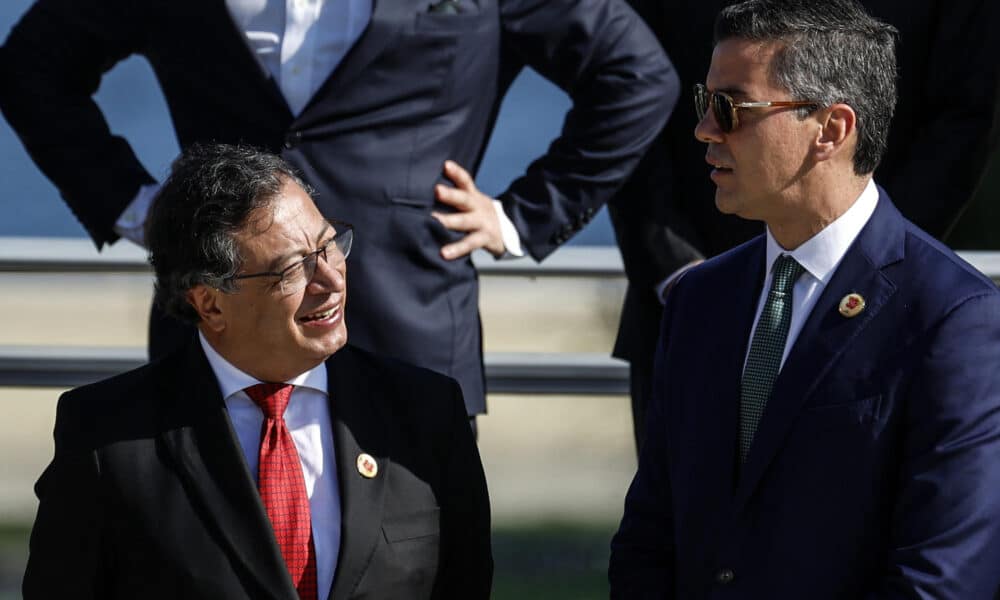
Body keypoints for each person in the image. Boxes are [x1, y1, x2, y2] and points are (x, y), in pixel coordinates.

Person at [0, 0, 678, 423]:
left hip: (407, 325)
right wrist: (137, 207)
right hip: (215, 326)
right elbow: (30, 66)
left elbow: (636, 75)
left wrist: (521, 219)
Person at [609, 1, 1000, 597]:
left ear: (832, 130)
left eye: (730, 108)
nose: (704, 130)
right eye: (703, 104)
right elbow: (649, 539)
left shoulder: (954, 319)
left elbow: (940, 577)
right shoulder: (699, 300)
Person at [22, 144, 493, 599]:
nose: (330, 280)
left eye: (329, 246)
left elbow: (465, 582)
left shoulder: (427, 412)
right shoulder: (109, 438)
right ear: (210, 304)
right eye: (292, 269)